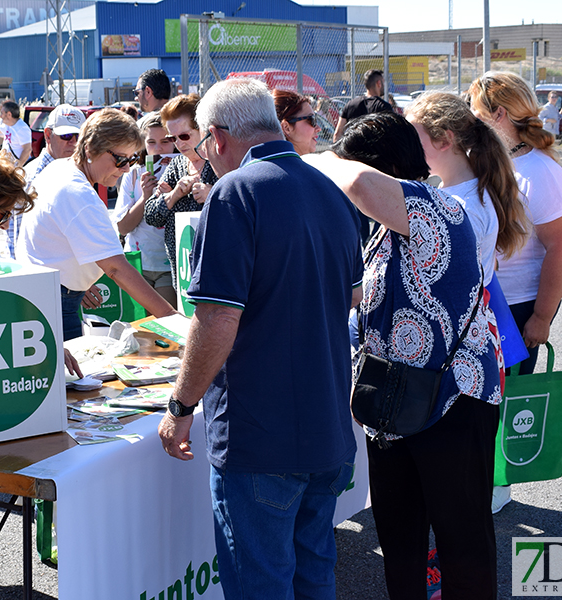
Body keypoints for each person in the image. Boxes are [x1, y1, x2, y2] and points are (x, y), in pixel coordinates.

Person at [157, 78, 362, 599]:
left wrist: (180, 406)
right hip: (327, 426)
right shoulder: (327, 188)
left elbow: (216, 321)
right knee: (314, 572)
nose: (205, 157)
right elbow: (353, 297)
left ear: (218, 138)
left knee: (260, 584)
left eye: (202, 146)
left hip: (260, 435)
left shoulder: (233, 193)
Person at [308, 113, 503, 600]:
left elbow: (356, 180)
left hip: (454, 398)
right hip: (394, 403)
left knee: (462, 537)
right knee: (399, 536)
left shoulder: (438, 208)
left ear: (384, 168)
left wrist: (311, 157)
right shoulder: (385, 229)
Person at [468, 71, 562, 513]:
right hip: (489, 302)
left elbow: (561, 250)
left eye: (475, 112)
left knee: (503, 399)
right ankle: (481, 478)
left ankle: (498, 484)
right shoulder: (500, 161)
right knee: (479, 399)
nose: (468, 120)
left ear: (498, 114)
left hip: (517, 309)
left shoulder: (542, 172)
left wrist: (541, 319)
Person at [15, 108, 177, 341]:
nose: (126, 169)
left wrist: (80, 276)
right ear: (90, 149)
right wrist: (171, 318)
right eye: (121, 159)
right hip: (56, 302)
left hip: (46, 294)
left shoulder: (61, 169)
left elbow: (58, 242)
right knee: (70, 377)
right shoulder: (77, 193)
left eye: (132, 159)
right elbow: (116, 268)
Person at [404, 92, 529, 287]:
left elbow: (451, 283)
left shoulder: (465, 206)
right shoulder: (457, 191)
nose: (408, 151)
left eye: (414, 142)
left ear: (445, 140)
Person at [143, 93, 219, 294]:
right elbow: (150, 215)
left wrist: (214, 194)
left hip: (216, 270)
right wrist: (174, 195)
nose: (178, 143)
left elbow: (244, 206)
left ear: (202, 128)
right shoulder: (176, 165)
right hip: (182, 273)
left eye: (184, 136)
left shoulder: (221, 161)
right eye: (172, 138)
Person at [112, 112, 177, 307]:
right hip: (137, 264)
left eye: (165, 141)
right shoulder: (133, 174)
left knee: (166, 326)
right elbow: (122, 228)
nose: (158, 149)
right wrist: (144, 197)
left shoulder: (184, 170)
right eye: (151, 142)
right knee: (140, 330)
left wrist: (174, 196)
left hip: (169, 264)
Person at [7, 104, 85, 258]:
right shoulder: (32, 178)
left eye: (80, 137)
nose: (75, 143)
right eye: (67, 136)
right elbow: (20, 242)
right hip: (43, 276)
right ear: (48, 135)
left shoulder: (73, 170)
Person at [333, 69, 393, 142]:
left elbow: (338, 133)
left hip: (353, 149)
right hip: (374, 151)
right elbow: (391, 134)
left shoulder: (350, 104)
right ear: (379, 83)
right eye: (383, 82)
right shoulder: (384, 106)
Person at [273, 89, 322, 156]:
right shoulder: (288, 165)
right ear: (286, 127)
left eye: (316, 119)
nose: (319, 128)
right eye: (311, 120)